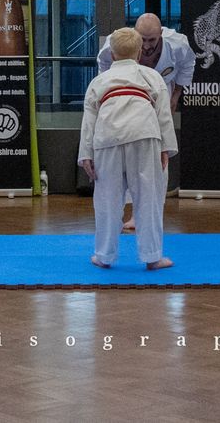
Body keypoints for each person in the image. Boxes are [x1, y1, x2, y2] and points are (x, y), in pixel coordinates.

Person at [79, 27, 178, 271]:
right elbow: (163, 114)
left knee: (107, 198)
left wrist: (86, 154)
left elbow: (89, 120)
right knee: (149, 196)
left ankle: (104, 255)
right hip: (144, 131)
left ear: (112, 54)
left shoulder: (99, 81)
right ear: (139, 53)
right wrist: (166, 147)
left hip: (107, 135)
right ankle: (152, 256)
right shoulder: (151, 76)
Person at [96, 12, 195, 229]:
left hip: (161, 91)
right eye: (143, 40)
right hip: (125, 94)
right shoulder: (117, 42)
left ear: (161, 34)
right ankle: (124, 211)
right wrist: (107, 91)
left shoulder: (177, 44)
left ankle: (146, 214)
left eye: (152, 40)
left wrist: (176, 95)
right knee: (128, 153)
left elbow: (188, 64)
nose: (147, 46)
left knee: (160, 154)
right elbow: (103, 66)